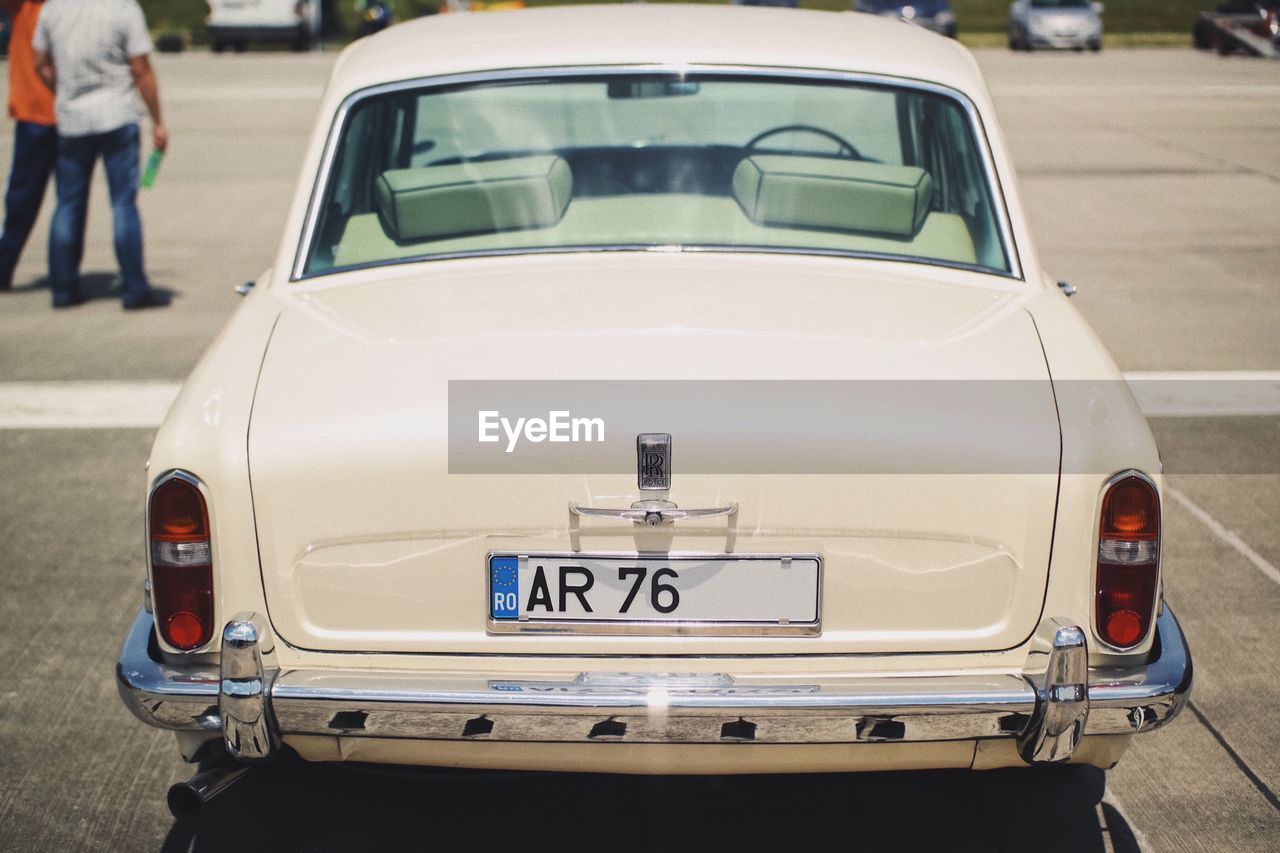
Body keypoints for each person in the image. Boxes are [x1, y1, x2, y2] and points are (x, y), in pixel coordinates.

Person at [32, 0, 169, 309]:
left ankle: (63, 289)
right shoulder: (122, 8)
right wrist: (157, 119)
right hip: (116, 115)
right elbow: (141, 69)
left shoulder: (53, 8)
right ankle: (135, 288)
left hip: (71, 119)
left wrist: (61, 88)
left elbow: (39, 60)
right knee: (123, 204)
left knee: (67, 204)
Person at [0, 0, 56, 292]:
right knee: (23, 200)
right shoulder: (24, 7)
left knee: (66, 204)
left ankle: (65, 277)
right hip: (37, 115)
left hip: (58, 115)